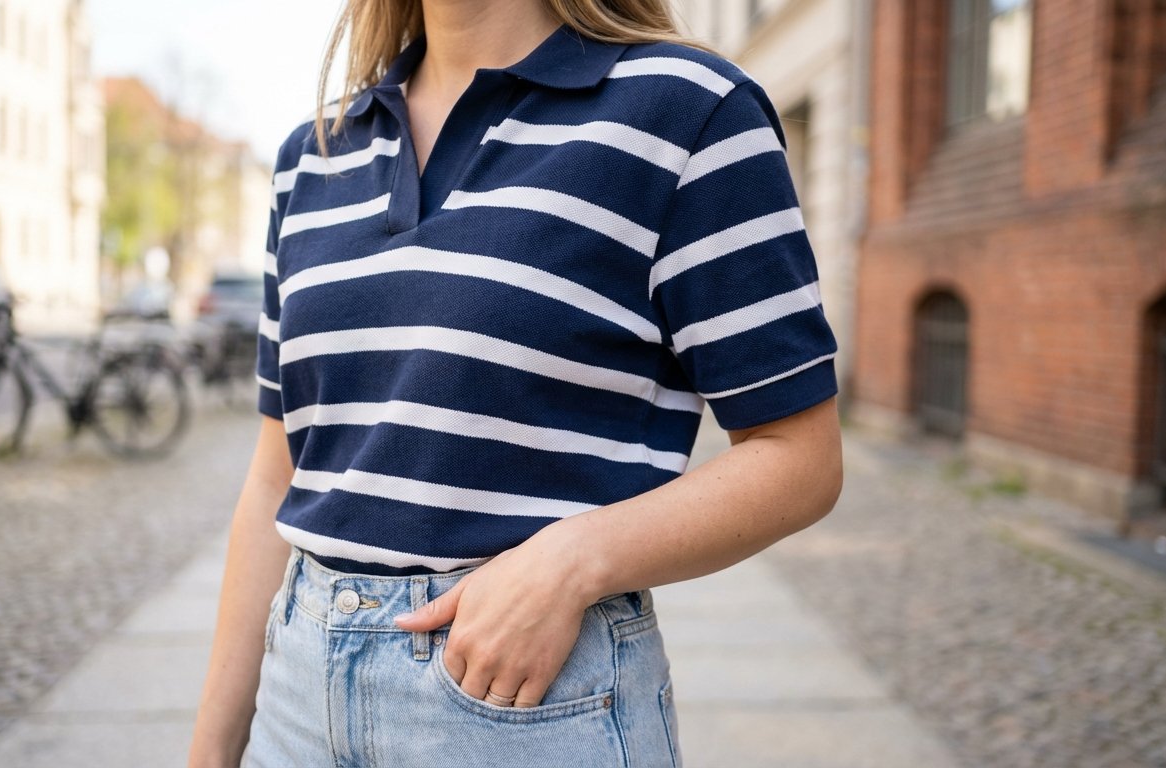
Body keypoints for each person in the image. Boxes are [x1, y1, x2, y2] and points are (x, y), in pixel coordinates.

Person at [187, 0, 843, 765]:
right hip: (295, 708)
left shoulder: (688, 111)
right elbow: (278, 476)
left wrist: (575, 561)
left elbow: (800, 458)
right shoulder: (313, 154)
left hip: (525, 704)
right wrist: (211, 753)